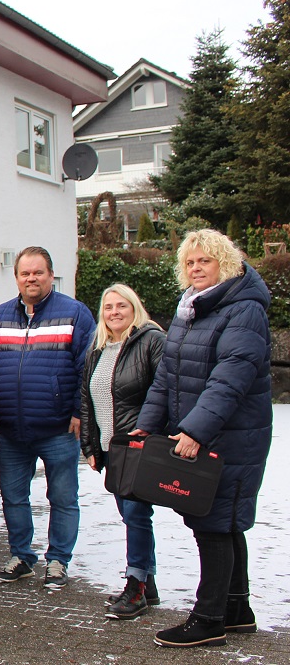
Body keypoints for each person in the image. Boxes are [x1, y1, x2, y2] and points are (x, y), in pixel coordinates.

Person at [135, 230, 271, 648]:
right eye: (190, 262)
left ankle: (209, 618)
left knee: (214, 523)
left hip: (230, 435)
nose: (195, 269)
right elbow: (167, 376)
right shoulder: (191, 309)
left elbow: (232, 376)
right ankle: (236, 610)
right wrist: (148, 422)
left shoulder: (243, 309)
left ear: (224, 264)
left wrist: (195, 430)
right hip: (208, 431)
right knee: (225, 523)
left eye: (204, 261)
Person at [0, 246, 95, 589]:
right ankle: (21, 557)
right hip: (12, 430)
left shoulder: (74, 314)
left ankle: (58, 560)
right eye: (25, 273)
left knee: (62, 497)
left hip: (57, 428)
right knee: (13, 496)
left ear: (50, 275)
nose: (31, 278)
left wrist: (77, 412)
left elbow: (85, 368)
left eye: (38, 272)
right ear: (16, 278)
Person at [78, 284, 166, 620]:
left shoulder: (152, 341)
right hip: (112, 449)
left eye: (121, 306)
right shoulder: (98, 348)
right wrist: (90, 446)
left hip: (139, 447)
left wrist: (154, 433)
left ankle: (136, 587)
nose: (114, 312)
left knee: (137, 517)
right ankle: (148, 582)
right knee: (133, 516)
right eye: (108, 307)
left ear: (135, 307)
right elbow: (87, 401)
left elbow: (166, 391)